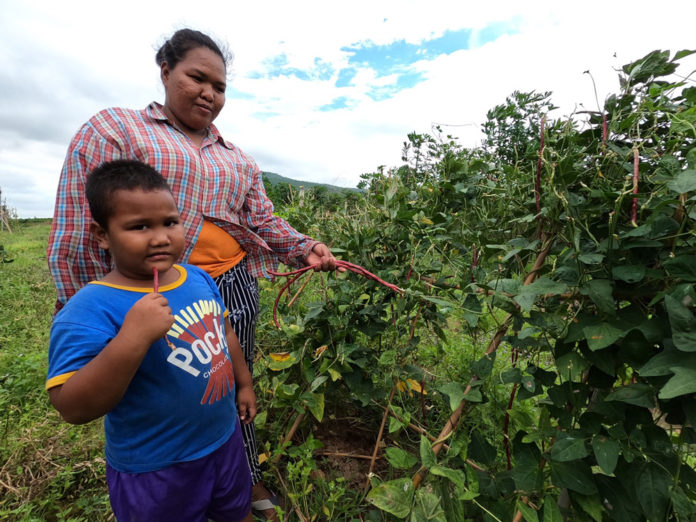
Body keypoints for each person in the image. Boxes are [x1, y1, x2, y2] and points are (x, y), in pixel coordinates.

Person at [47, 28, 339, 519]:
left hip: (222, 285)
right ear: (166, 70)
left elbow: (261, 220)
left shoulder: (235, 157)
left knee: (221, 377)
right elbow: (78, 229)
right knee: (153, 388)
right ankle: (164, 474)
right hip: (143, 298)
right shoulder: (115, 131)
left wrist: (305, 247)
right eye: (197, 78)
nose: (209, 93)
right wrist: (89, 310)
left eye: (219, 87)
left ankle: (239, 474)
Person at [46, 160, 256, 521]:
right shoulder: (90, 309)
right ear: (101, 234)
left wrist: (245, 383)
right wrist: (133, 338)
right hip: (157, 469)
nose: (160, 237)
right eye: (139, 226)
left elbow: (224, 333)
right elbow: (71, 406)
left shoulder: (197, 278)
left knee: (235, 512)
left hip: (225, 442)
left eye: (169, 222)